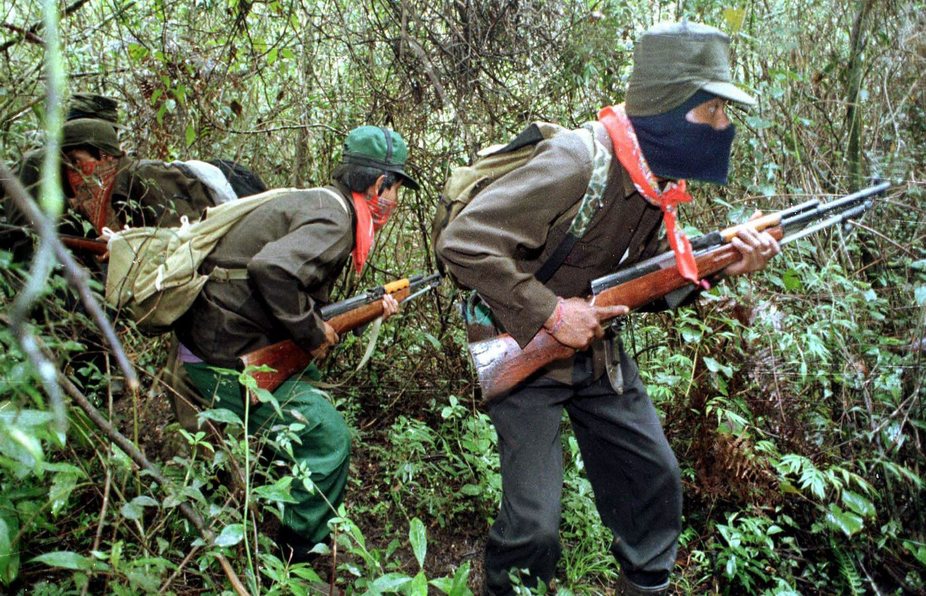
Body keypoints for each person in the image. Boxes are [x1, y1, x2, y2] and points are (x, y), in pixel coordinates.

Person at [437, 21, 779, 595]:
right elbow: (465, 241)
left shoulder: (655, 183)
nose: (724, 128)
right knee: (534, 527)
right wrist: (550, 313)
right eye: (713, 112)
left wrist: (726, 265)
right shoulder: (577, 161)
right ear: (670, 108)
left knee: (654, 481)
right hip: (522, 345)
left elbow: (647, 279)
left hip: (598, 355)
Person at [172, 125, 419, 560]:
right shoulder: (337, 219)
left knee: (310, 380)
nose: (396, 201)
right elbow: (272, 270)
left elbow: (292, 293)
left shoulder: (323, 202)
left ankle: (272, 495)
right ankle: (296, 554)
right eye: (396, 187)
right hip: (226, 359)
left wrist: (353, 317)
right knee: (329, 438)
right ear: (380, 185)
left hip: (211, 342)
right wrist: (311, 331)